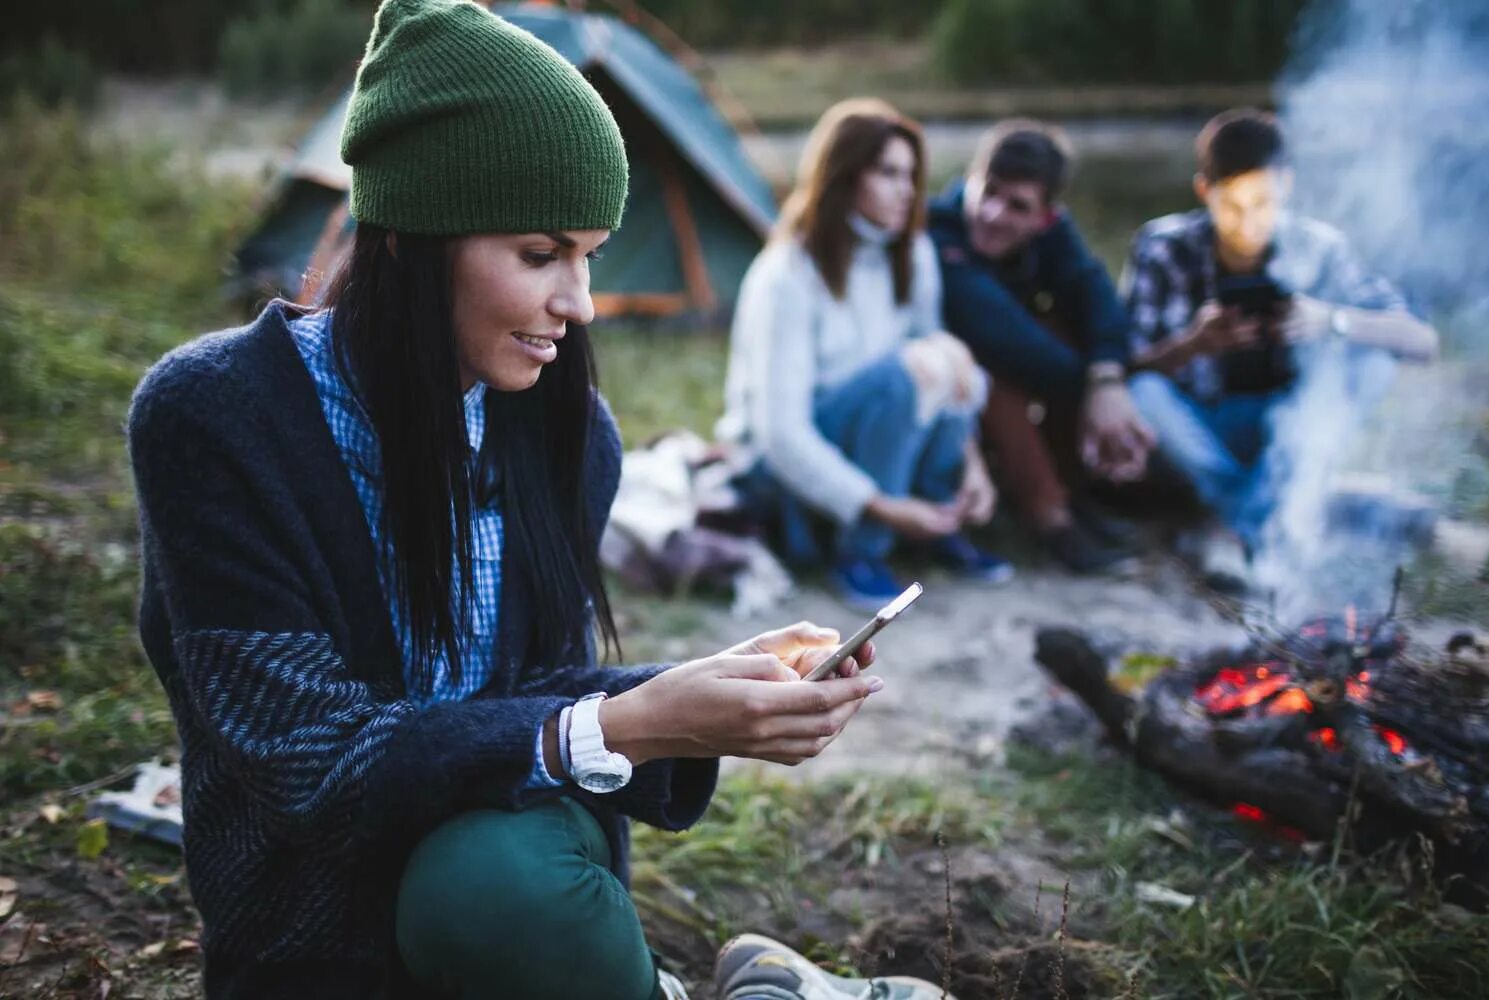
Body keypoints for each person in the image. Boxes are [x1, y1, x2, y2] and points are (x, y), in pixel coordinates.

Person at [126, 3, 924, 997]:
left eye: (588, 255)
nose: (579, 303)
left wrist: (703, 691)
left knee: (490, 882)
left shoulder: (566, 433)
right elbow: (307, 758)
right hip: (310, 942)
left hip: (498, 871)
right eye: (542, 255)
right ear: (417, 240)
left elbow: (525, 682)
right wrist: (629, 721)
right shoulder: (216, 419)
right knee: (481, 889)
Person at [1121, 108, 1438, 587]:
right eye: (1232, 206)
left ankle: (1235, 525)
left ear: (1286, 186)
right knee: (1145, 390)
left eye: (1264, 202)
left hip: (1291, 433)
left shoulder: (1319, 247)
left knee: (1371, 361)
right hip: (1204, 431)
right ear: (1204, 191)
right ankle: (1272, 520)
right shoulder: (1163, 247)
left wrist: (1330, 320)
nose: (1249, 223)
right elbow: (1128, 367)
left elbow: (1422, 341)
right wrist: (1193, 344)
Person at [717, 98, 1009, 611]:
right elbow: (781, 435)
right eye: (889, 174)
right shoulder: (787, 275)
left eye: (912, 175)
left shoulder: (912, 254)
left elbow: (945, 365)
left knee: (950, 358)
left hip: (870, 445)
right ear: (845, 177)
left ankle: (940, 519)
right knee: (906, 373)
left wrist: (974, 467)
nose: (907, 191)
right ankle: (862, 550)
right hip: (779, 473)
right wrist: (884, 508)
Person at [929, 120, 1155, 574]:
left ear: (1045, 217)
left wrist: (1107, 378)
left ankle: (1074, 494)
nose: (993, 213)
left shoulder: (1055, 232)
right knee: (995, 373)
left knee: (1072, 330)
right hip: (955, 383)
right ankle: (1049, 515)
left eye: (1017, 205)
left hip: (1021, 367)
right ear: (970, 179)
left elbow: (1095, 294)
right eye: (987, 191)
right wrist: (1096, 390)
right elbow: (999, 334)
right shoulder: (939, 231)